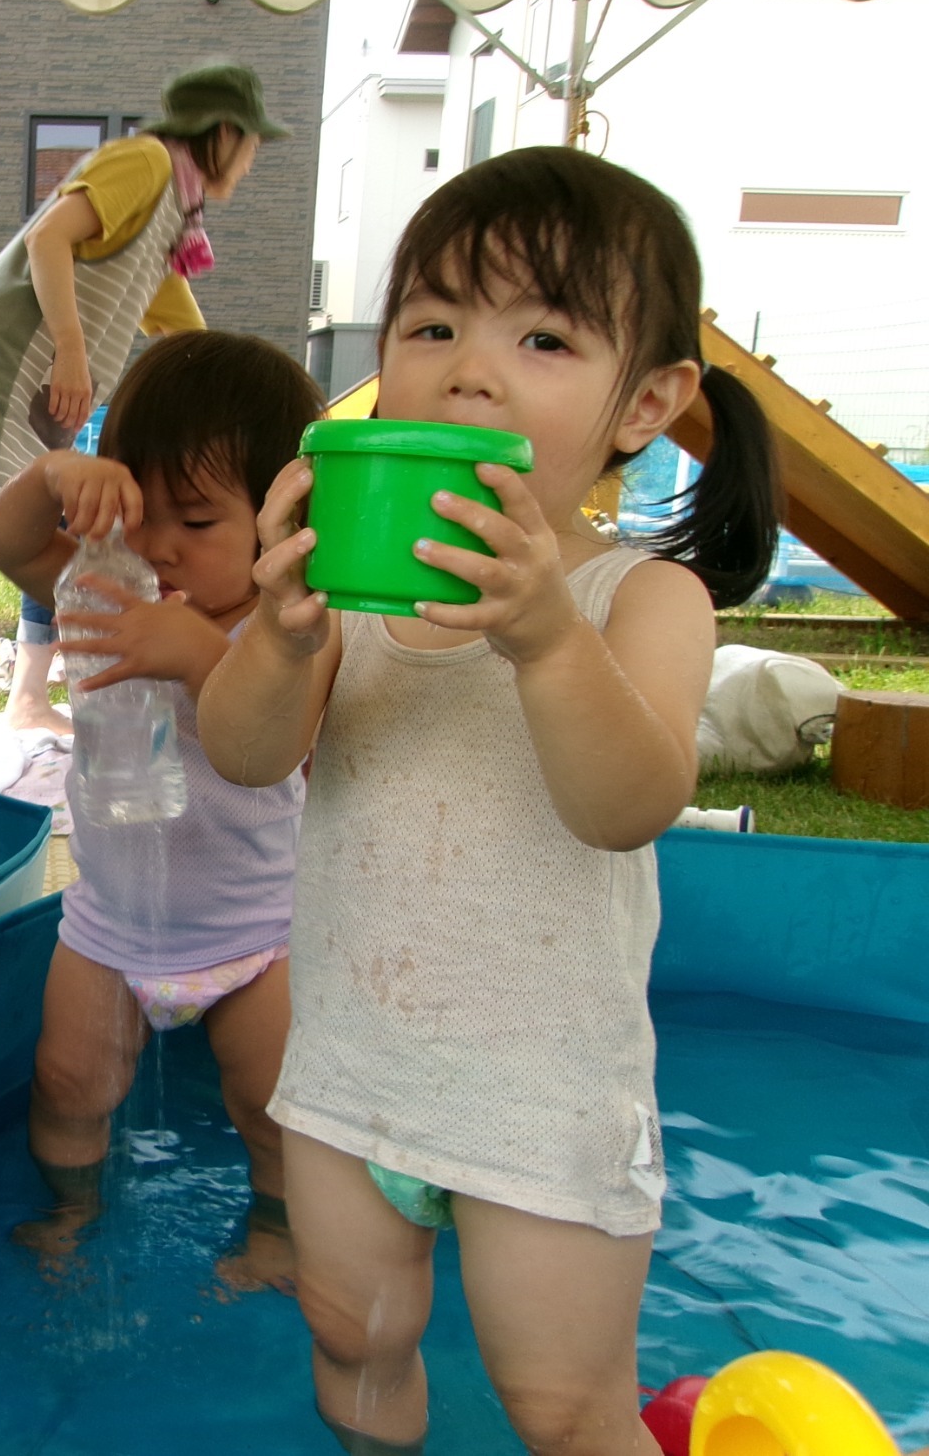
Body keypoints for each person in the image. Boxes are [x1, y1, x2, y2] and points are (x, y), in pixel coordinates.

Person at [197, 147, 780, 1454]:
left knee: (564, 1406)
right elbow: (242, 755)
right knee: (351, 1336)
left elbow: (628, 804)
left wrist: (544, 640)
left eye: (546, 337)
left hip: (543, 1099)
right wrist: (278, 640)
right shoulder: (352, 596)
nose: (471, 365)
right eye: (435, 325)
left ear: (648, 403)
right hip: (353, 1077)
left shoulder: (641, 598)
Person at [0, 330, 322, 1291]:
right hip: (109, 924)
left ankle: (277, 1231)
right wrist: (55, 473)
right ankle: (71, 1210)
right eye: (140, 508)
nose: (159, 544)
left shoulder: (284, 630)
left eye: (199, 522)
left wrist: (198, 651)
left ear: (279, 526)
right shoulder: (97, 589)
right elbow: (4, 542)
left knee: (273, 1111)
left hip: (258, 936)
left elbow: (279, 740)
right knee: (67, 1086)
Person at [0, 61, 288, 764]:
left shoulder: (173, 215)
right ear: (224, 133)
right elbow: (50, 236)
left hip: (52, 388)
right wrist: (71, 348)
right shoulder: (149, 161)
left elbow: (189, 340)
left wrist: (258, 402)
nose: (251, 162)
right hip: (7, 360)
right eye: (252, 144)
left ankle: (31, 694)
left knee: (79, 528)